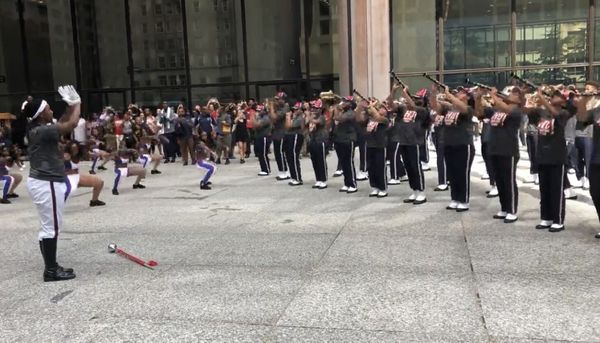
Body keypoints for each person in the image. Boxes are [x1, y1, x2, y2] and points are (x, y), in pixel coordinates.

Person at [25, 85, 80, 282]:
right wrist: (77, 103)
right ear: (41, 114)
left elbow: (64, 121)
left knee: (47, 227)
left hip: (41, 181)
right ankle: (51, 270)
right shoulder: (42, 131)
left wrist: (69, 106)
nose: (52, 111)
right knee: (52, 228)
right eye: (48, 108)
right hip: (46, 182)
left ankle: (52, 266)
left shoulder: (38, 129)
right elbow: (71, 124)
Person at [481, 86, 524, 224]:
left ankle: (512, 210)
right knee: (499, 181)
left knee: (509, 181)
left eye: (514, 94)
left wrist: (494, 96)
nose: (510, 95)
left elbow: (507, 109)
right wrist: (478, 97)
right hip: (495, 148)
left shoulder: (516, 110)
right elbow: (480, 112)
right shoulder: (497, 109)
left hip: (508, 150)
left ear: (519, 99)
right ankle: (504, 207)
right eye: (510, 93)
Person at [430, 85, 475, 212]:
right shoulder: (449, 109)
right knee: (452, 173)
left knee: (462, 174)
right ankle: (455, 198)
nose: (458, 93)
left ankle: (464, 200)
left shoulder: (468, 109)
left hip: (463, 144)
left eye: (461, 92)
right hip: (449, 143)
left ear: (467, 96)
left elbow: (462, 107)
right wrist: (433, 94)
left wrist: (449, 96)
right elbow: (435, 106)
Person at [530, 89, 570, 232]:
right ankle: (546, 217)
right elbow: (527, 111)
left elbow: (556, 114)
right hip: (542, 156)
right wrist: (531, 99)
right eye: (551, 96)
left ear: (563, 100)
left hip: (557, 157)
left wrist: (543, 99)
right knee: (544, 189)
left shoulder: (564, 113)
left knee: (556, 190)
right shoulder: (542, 113)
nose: (552, 97)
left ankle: (558, 220)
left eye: (556, 96)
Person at [389, 85, 430, 204]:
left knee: (416, 167)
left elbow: (413, 105)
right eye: (414, 97)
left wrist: (405, 92)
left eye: (418, 98)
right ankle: (415, 190)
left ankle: (421, 192)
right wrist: (393, 91)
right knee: (409, 168)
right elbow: (390, 105)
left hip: (415, 142)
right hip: (404, 141)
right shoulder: (403, 109)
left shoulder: (422, 111)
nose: (415, 99)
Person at [574, 82, 600, 239]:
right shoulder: (597, 111)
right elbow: (582, 118)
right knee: (595, 192)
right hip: (597, 158)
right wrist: (583, 101)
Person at [361, 99, 390, 198]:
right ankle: (374, 186)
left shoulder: (385, 119)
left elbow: (377, 117)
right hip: (370, 145)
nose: (381, 109)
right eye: (380, 108)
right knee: (371, 167)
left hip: (380, 145)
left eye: (383, 108)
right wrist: (363, 107)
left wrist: (371, 106)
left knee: (380, 167)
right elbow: (358, 119)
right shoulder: (369, 119)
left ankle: (382, 188)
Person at [63, 141, 106, 207]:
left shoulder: (80, 154)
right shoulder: (65, 155)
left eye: (76, 148)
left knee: (99, 182)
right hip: (67, 178)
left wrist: (98, 154)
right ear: (69, 148)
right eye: (73, 148)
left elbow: (92, 154)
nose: (75, 150)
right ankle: (56, 205)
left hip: (77, 177)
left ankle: (94, 201)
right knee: (65, 193)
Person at [332, 97, 359, 193]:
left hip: (348, 139)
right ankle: (346, 183)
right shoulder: (343, 111)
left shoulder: (351, 113)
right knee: (343, 162)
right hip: (340, 139)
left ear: (350, 104)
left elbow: (338, 119)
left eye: (346, 102)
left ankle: (352, 184)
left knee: (349, 162)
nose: (343, 103)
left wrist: (336, 108)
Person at [307, 99, 329, 189]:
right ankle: (318, 179)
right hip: (313, 140)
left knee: (321, 161)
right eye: (314, 108)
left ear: (320, 109)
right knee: (315, 161)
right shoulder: (314, 117)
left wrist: (309, 115)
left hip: (321, 140)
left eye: (316, 108)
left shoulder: (322, 117)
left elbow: (316, 122)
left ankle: (323, 180)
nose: (314, 110)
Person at [284, 102, 305, 186]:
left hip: (296, 136)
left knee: (293, 156)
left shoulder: (300, 118)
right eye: (294, 109)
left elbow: (289, 126)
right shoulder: (295, 117)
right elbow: (286, 126)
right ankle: (293, 177)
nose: (294, 110)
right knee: (289, 157)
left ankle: (297, 178)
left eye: (297, 109)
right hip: (290, 136)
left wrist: (288, 117)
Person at [269, 93, 290, 180]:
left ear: (283, 100)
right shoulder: (278, 108)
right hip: (276, 132)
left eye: (278, 99)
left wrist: (271, 107)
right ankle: (281, 171)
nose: (276, 101)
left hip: (282, 133)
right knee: (277, 153)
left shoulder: (285, 107)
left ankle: (285, 171)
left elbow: (274, 117)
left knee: (281, 153)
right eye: (276, 99)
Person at [253, 104, 272, 176]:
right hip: (259, 136)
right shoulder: (260, 117)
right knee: (261, 154)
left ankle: (266, 169)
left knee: (263, 154)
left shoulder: (266, 118)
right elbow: (254, 127)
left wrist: (254, 117)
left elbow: (257, 125)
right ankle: (265, 168)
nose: (257, 112)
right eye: (257, 110)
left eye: (259, 110)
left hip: (264, 137)